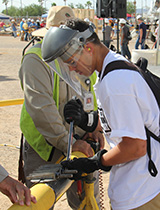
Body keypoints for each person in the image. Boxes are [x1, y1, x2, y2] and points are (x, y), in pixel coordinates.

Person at [41, 18, 160, 210]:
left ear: (87, 48)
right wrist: (87, 121)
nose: (72, 69)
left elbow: (136, 147)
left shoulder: (115, 81)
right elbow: (123, 122)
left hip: (142, 191)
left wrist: (95, 162)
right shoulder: (115, 66)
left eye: (72, 61)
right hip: (142, 185)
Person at [19, 6, 102, 209]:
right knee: (41, 200)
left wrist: (95, 127)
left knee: (86, 200)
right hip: (44, 147)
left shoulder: (81, 55)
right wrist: (69, 142)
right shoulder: (35, 59)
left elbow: (91, 93)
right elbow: (42, 109)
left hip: (80, 141)